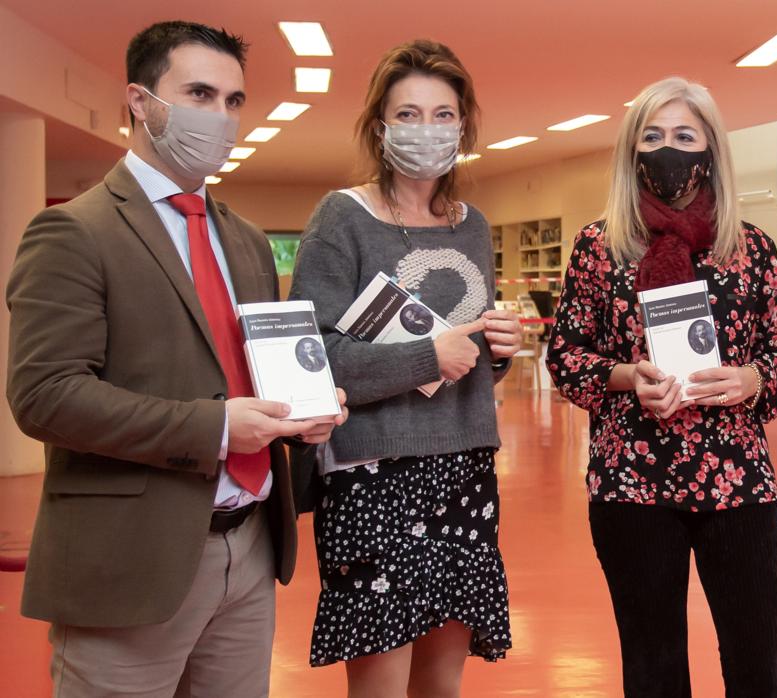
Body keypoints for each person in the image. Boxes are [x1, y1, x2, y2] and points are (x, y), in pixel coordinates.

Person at [5, 21, 347, 696]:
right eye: (198, 93)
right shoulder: (75, 231)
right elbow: (46, 394)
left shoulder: (245, 241)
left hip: (249, 549)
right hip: (129, 559)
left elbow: (254, 369)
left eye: (233, 100)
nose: (219, 117)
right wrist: (216, 429)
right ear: (140, 101)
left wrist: (308, 410)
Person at [547, 77, 777, 698]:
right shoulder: (599, 248)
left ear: (711, 147)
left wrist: (748, 379)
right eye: (652, 137)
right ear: (632, 150)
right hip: (632, 481)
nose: (668, 150)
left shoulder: (752, 250)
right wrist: (630, 377)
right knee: (653, 667)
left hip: (737, 479)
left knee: (760, 664)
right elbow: (567, 356)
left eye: (684, 135)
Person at [288, 39, 521, 697]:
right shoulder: (343, 220)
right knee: (381, 685)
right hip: (372, 476)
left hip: (466, 468)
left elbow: (468, 363)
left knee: (441, 683)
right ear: (379, 125)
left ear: (464, 127)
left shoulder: (472, 227)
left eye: (443, 114)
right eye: (409, 113)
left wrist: (494, 353)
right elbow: (314, 361)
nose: (427, 130)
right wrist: (428, 355)